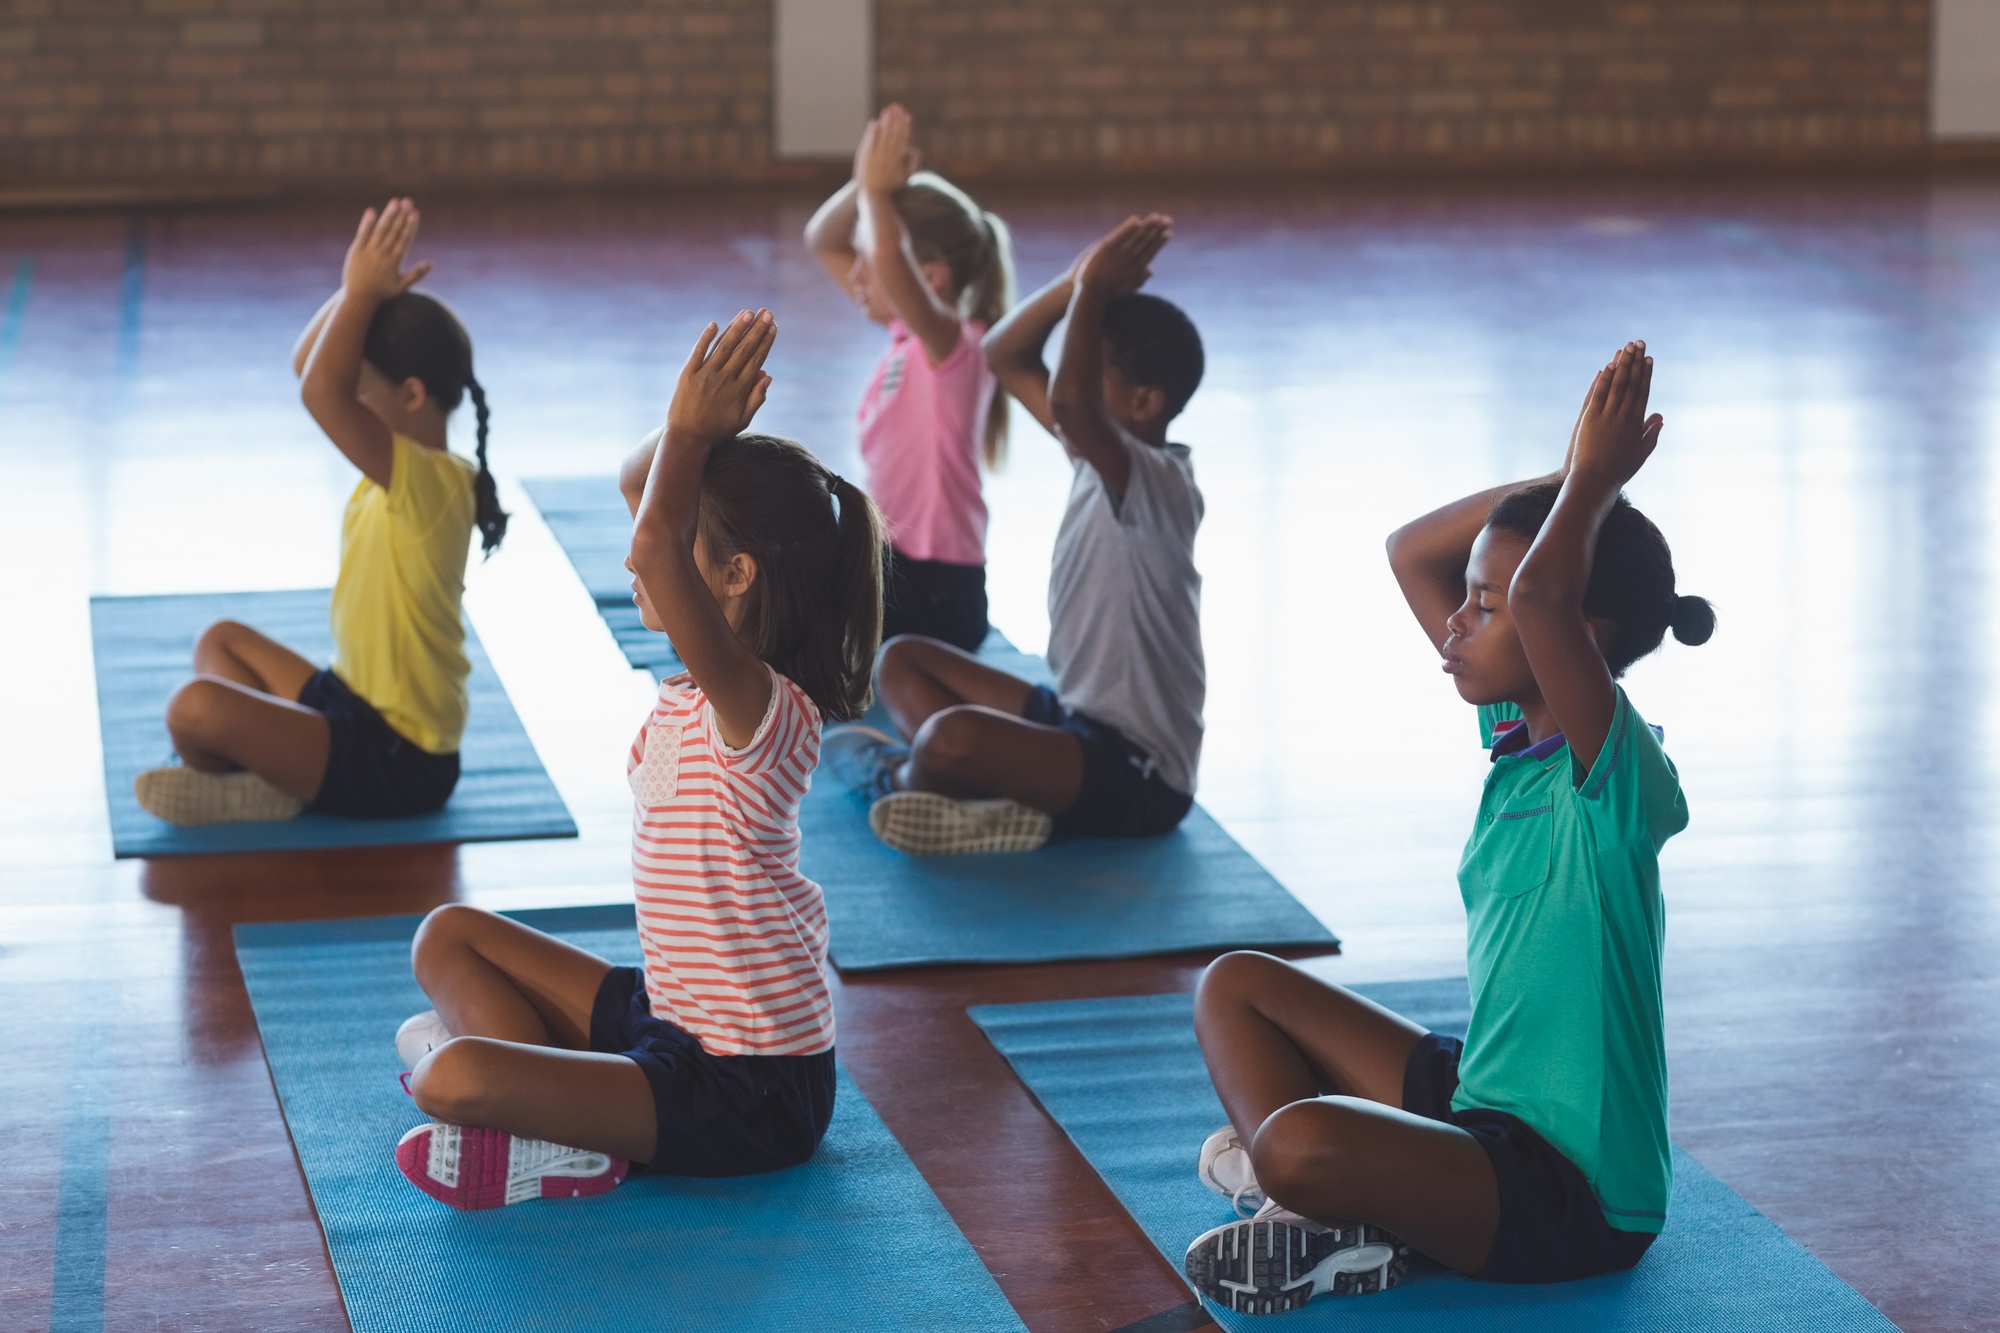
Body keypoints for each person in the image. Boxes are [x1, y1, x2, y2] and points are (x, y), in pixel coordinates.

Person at [1181, 343, 1716, 1313]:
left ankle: (1317, 1191)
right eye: (1466, 601)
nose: (1454, 624)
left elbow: (1544, 594)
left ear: (1578, 636)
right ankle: (1306, 1203)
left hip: (1574, 1192)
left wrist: (1591, 486)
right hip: (1482, 1095)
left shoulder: (1618, 779)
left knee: (1302, 1138)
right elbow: (1408, 550)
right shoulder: (1513, 736)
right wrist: (1565, 482)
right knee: (1235, 985)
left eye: (1485, 605)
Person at [392, 309, 885, 1210]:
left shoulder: (767, 709)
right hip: (671, 1018)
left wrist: (695, 434)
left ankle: (539, 1116)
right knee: (446, 935)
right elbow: (641, 490)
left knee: (445, 1072)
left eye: (678, 537)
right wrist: (695, 429)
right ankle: (543, 1105)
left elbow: (657, 545)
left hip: (754, 1089)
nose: (635, 550)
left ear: (735, 575)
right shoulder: (703, 692)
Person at [822, 214, 1207, 858]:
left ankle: (899, 779)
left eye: (1090, 374)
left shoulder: (1156, 483)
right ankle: (978, 794)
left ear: (1144, 403)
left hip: (1141, 777)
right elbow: (1004, 354)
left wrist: (1090, 297)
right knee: (902, 661)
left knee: (952, 738)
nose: (1065, 386)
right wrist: (1075, 281)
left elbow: (1071, 406)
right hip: (1077, 719)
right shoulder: (1099, 460)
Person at [133, 198, 506, 827]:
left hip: (402, 759)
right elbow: (311, 367)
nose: (348, 406)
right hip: (351, 700)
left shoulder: (432, 483)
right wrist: (352, 293)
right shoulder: (399, 470)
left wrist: (360, 296)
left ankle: (266, 784)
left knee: (192, 708)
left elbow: (318, 390)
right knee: (219, 641)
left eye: (361, 392)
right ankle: (276, 774)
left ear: (412, 395)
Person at [804, 103, 1012, 652]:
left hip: (939, 591)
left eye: (866, 263)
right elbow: (822, 239)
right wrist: (862, 183)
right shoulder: (905, 338)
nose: (853, 273)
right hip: (892, 568)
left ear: (932, 278)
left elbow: (888, 252)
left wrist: (877, 196)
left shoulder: (956, 349)